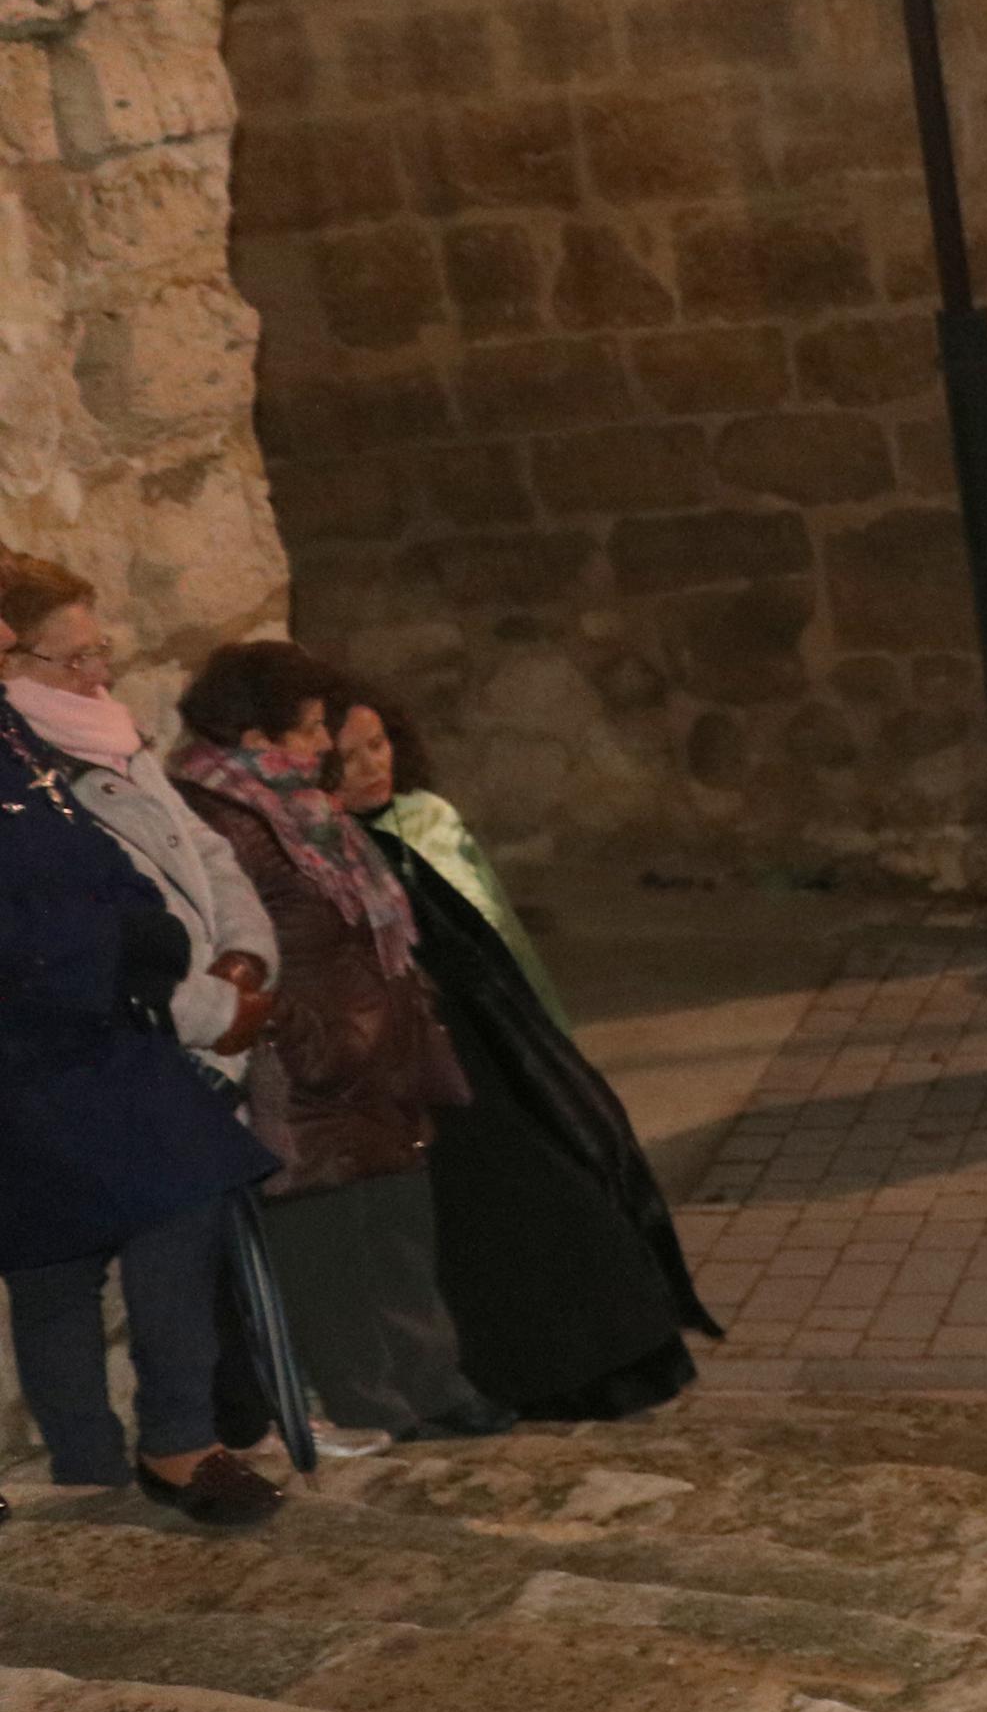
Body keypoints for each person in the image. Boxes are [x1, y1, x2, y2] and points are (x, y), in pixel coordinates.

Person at [331, 688, 717, 1421]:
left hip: (498, 1039)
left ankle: (616, 1360)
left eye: (377, 744)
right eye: (346, 757)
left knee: (572, 1180)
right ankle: (543, 1375)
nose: (369, 767)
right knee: (508, 1213)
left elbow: (497, 932)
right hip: (432, 1063)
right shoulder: (340, 852)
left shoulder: (427, 821)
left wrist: (546, 1034)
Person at [0, 565, 287, 1527]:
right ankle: (113, 1460)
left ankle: (161, 1446)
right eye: (63, 653)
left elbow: (116, 861)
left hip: (107, 1013)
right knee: (70, 1247)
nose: (94, 673)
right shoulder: (34, 733)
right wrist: (175, 988)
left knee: (144, 1208)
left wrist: (195, 948)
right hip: (42, 1032)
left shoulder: (27, 743)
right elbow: (28, 917)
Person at [171, 640, 512, 1448]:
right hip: (303, 1069)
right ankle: (374, 1403)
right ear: (258, 737)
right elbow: (233, 944)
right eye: (313, 727)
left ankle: (436, 1384)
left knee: (397, 1227)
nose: (327, 744)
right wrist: (303, 1028)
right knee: (329, 1250)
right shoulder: (223, 817)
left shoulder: (300, 806)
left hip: (371, 1058)